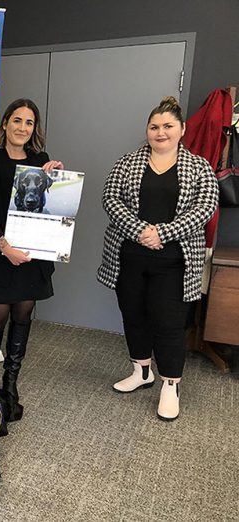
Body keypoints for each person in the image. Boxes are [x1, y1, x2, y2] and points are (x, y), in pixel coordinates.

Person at [97, 96, 218, 421]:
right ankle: (141, 371)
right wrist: (139, 230)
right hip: (129, 257)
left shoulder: (199, 166)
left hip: (175, 262)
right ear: (147, 130)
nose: (160, 132)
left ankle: (170, 384)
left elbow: (206, 206)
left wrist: (162, 233)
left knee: (168, 324)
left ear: (182, 129)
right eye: (154, 126)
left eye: (167, 126)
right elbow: (110, 197)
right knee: (133, 315)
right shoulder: (128, 162)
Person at [0, 98, 63, 421]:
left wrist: (56, 179)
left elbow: (49, 204)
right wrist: (4, 246)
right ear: (5, 124)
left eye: (29, 123)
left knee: (22, 319)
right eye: (17, 121)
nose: (23, 128)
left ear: (34, 129)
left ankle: (10, 385)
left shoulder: (41, 161)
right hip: (0, 256)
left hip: (32, 258)